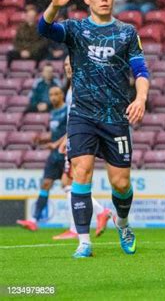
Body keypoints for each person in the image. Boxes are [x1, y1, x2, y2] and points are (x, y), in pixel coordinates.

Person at [36, 0, 150, 258]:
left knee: (121, 184)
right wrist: (54, 6)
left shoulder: (126, 32)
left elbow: (141, 71)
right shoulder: (75, 29)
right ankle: (84, 241)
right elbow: (44, 28)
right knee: (81, 173)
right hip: (83, 116)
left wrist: (141, 97)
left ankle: (122, 223)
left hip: (115, 118)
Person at [53, 56, 112, 240]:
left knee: (69, 182)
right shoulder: (71, 86)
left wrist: (70, 137)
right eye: (64, 65)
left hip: (78, 137)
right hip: (72, 135)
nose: (67, 68)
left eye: (70, 64)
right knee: (68, 182)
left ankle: (98, 213)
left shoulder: (82, 83)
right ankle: (84, 222)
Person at [16, 87, 68, 231]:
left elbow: (71, 131)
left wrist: (56, 144)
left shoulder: (68, 110)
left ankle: (79, 224)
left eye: (56, 94)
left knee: (69, 187)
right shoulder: (53, 113)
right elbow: (55, 133)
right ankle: (33, 220)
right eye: (51, 94)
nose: (53, 97)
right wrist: (43, 139)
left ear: (62, 95)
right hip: (54, 155)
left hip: (66, 153)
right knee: (45, 184)